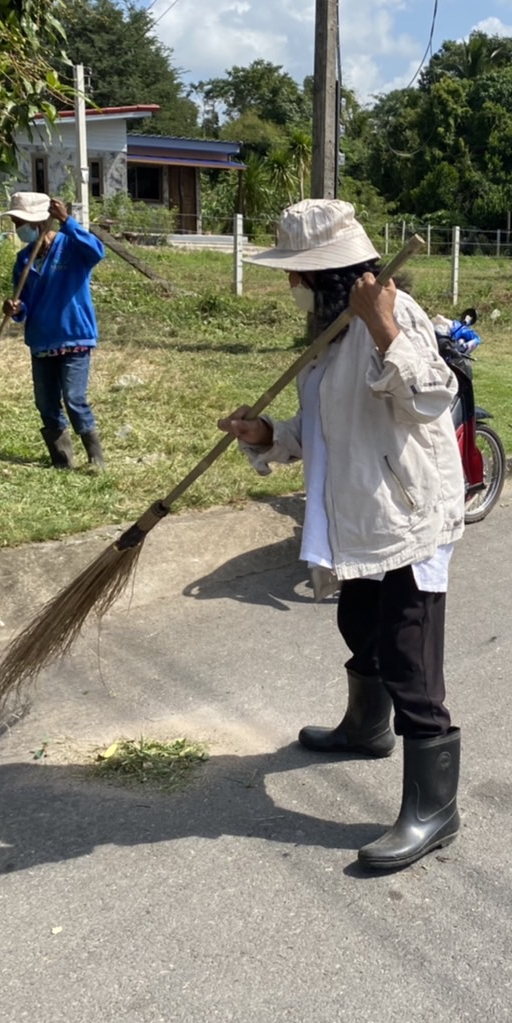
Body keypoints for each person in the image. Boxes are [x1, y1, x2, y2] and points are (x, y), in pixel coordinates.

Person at [217, 198, 466, 870]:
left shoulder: (392, 317)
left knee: (409, 659)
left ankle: (434, 809)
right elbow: (331, 428)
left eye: (295, 276)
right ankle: (366, 727)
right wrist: (269, 436)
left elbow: (432, 398)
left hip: (409, 517)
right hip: (361, 515)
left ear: (322, 274)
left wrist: (384, 327)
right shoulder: (329, 333)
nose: (289, 286)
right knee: (360, 625)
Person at [0, 192, 107, 471]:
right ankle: (62, 460)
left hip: (74, 336)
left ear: (38, 222)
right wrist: (14, 308)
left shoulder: (71, 247)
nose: (17, 229)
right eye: (15, 223)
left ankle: (96, 459)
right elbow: (24, 306)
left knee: (74, 398)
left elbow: (97, 251)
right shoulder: (24, 259)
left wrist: (67, 221)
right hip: (42, 341)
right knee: (46, 403)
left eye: (20, 222)